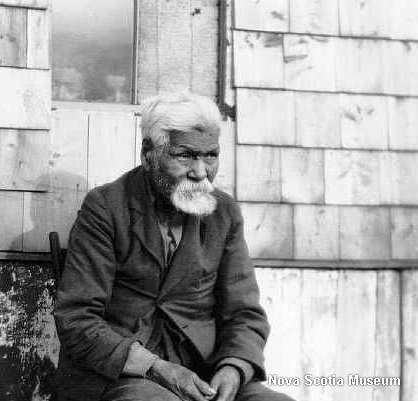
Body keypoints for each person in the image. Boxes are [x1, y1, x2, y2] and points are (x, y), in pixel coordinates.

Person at [52, 94, 294, 401]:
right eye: (185, 156)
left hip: (202, 374)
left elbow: (244, 313)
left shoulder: (223, 212)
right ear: (148, 153)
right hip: (121, 375)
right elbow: (77, 317)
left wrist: (233, 367)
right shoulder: (105, 208)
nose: (201, 172)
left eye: (211, 155)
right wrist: (155, 368)